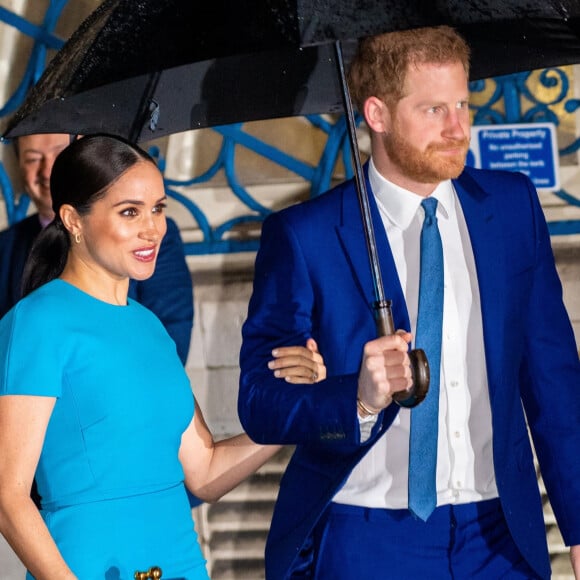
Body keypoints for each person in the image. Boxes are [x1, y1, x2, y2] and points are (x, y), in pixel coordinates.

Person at [238, 25, 580, 579]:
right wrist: (359, 398)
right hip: (366, 535)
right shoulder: (306, 235)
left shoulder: (512, 207)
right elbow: (259, 401)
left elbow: (554, 379)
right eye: (434, 110)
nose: (458, 128)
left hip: (499, 534)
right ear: (376, 114)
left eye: (463, 104)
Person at [0, 134, 326, 579]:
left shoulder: (149, 326)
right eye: (130, 211)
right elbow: (8, 495)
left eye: (158, 208)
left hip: (183, 566)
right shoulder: (38, 322)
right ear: (74, 220)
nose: (152, 228)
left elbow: (205, 471)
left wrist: (298, 408)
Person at [0, 133, 193, 364]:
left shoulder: (149, 325)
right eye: (33, 159)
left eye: (158, 208)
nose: (48, 170)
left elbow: (171, 343)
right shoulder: (32, 317)